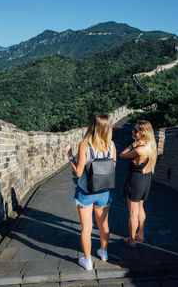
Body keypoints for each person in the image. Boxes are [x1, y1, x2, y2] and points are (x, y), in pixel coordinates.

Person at [65, 115, 116, 270]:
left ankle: (88, 261)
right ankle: (104, 252)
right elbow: (112, 167)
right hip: (104, 191)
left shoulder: (85, 145)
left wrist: (70, 155)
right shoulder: (111, 145)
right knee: (103, 225)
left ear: (92, 126)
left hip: (86, 192)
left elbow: (79, 173)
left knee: (86, 228)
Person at [120, 120, 157, 247]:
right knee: (140, 208)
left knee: (133, 212)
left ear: (143, 133)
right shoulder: (151, 145)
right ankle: (140, 235)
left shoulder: (139, 150)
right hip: (146, 180)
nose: (133, 132)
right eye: (133, 129)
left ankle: (131, 240)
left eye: (136, 131)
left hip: (136, 180)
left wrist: (133, 145)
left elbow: (122, 155)